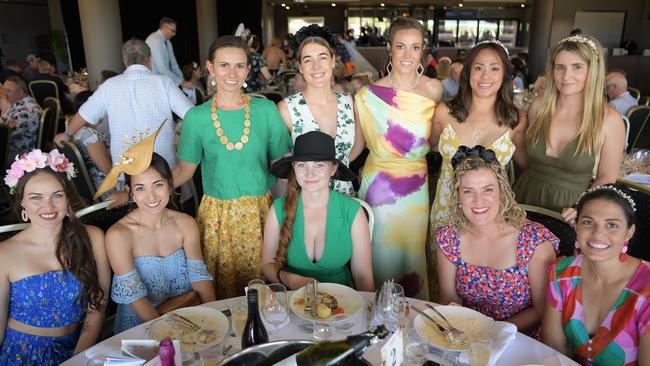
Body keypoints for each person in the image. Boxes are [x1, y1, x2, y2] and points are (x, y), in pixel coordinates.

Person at [172, 35, 291, 299]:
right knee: (225, 298)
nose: (232, 73)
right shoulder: (196, 118)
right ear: (210, 68)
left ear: (248, 69)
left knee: (264, 295)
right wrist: (138, 189)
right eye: (224, 65)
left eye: (239, 66)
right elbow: (184, 172)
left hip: (261, 213)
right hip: (217, 218)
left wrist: (297, 210)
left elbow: (281, 169)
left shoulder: (265, 110)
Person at [354, 16, 443, 299]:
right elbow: (357, 146)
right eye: (401, 47)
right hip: (378, 185)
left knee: (410, 258)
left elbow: (438, 139)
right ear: (390, 48)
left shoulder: (433, 89)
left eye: (415, 47)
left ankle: (411, 321)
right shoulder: (367, 95)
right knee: (379, 255)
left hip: (416, 188)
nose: (407, 55)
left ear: (422, 51)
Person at [0, 149, 111, 364]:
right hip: (20, 355)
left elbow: (99, 304)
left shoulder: (93, 238)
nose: (48, 207)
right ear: (22, 203)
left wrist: (78, 358)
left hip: (77, 349)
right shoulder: (4, 253)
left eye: (57, 195)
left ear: (68, 198)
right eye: (35, 198)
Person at [54, 38, 193, 208]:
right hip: (164, 171)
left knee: (132, 218)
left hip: (128, 175)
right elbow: (191, 115)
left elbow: (83, 115)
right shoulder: (164, 82)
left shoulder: (109, 86)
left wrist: (66, 134)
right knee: (169, 216)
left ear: (125, 62)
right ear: (150, 59)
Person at [436, 146, 558, 336]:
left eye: (488, 190)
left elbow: (542, 311)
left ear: (502, 192)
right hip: (464, 335)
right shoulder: (448, 237)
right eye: (468, 191)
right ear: (458, 196)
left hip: (519, 339)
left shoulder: (534, 242)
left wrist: (489, 332)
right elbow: (449, 298)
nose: (478, 200)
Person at [102, 146, 215, 333]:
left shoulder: (186, 223)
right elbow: (136, 298)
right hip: (142, 327)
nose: (151, 196)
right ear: (130, 192)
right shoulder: (119, 235)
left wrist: (212, 319)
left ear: (170, 186)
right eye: (140, 188)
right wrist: (172, 336)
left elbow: (200, 278)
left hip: (188, 318)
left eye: (158, 185)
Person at [513, 35, 625, 221]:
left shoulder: (609, 119)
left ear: (593, 71)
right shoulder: (539, 106)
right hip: (523, 201)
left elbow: (606, 176)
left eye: (577, 67)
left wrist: (583, 207)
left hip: (570, 212)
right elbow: (526, 157)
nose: (566, 76)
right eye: (560, 68)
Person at [542, 185, 649, 365]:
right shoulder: (562, 273)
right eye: (588, 222)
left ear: (629, 233)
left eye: (612, 225)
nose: (598, 233)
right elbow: (554, 350)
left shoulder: (646, 289)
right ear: (576, 226)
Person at [430, 39, 527, 229]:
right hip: (446, 213)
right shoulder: (444, 112)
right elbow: (423, 150)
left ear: (505, 75)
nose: (485, 76)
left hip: (492, 218)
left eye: (494, 68)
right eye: (478, 67)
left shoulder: (516, 120)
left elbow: (527, 165)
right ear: (468, 72)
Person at [261, 131, 374, 291]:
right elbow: (267, 265)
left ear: (333, 168)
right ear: (294, 168)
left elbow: (363, 276)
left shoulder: (353, 211)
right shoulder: (279, 209)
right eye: (302, 165)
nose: (309, 173)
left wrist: (366, 313)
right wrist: (291, 280)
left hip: (341, 306)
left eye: (319, 165)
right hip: (292, 301)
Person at [278, 25, 361, 196]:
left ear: (332, 61)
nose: (316, 66)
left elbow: (359, 143)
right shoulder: (287, 109)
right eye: (308, 60)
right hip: (303, 198)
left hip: (344, 196)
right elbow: (279, 161)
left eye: (322, 58)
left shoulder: (350, 103)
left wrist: (337, 166)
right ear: (300, 67)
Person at [69, 91, 112, 199]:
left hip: (89, 187)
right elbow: (108, 171)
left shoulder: (74, 131)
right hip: (106, 190)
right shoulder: (89, 135)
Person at [1, 76, 42, 160]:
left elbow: (5, 136)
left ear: (21, 92)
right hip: (13, 147)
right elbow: (3, 119)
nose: (4, 94)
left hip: (19, 154)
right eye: (4, 89)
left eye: (8, 91)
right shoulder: (19, 103)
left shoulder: (26, 111)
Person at [145, 17, 183, 85]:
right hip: (153, 83)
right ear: (164, 28)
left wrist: (182, 80)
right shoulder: (154, 40)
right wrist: (181, 82)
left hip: (162, 81)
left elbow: (174, 65)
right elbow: (162, 69)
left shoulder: (168, 42)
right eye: (172, 31)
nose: (174, 34)